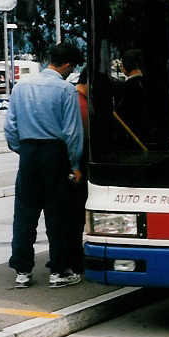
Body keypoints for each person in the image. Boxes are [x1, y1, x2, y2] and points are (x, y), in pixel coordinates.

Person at [4, 42, 84, 288]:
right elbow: (72, 132)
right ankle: (58, 270)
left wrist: (23, 149)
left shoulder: (21, 87)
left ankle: (22, 271)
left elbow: (10, 127)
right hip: (55, 153)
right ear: (68, 65)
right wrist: (75, 164)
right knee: (57, 215)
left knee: (25, 214)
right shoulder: (65, 90)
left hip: (28, 154)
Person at [67, 67, 89, 275]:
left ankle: (67, 256)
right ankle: (73, 258)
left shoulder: (73, 98)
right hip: (78, 165)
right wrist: (75, 167)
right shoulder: (81, 104)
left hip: (69, 164)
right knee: (76, 215)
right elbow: (76, 137)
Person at [115, 49, 150, 147]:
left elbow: (121, 114)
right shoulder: (150, 85)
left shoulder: (126, 87)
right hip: (150, 136)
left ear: (126, 65)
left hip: (131, 137)